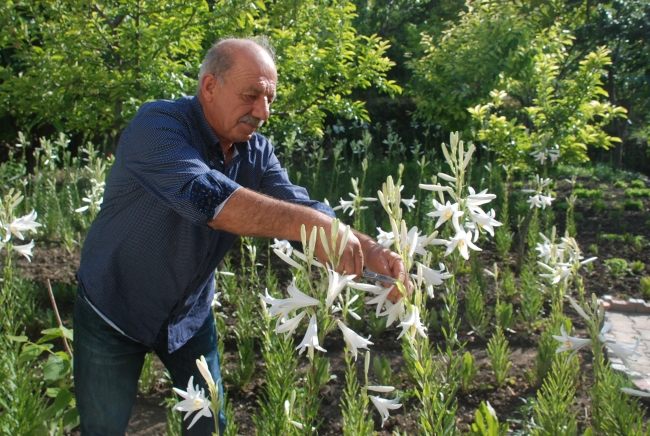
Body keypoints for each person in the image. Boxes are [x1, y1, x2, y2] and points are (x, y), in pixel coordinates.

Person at [74, 37, 407, 435]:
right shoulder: (157, 125)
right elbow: (209, 200)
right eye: (252, 95)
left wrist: (366, 247)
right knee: (103, 427)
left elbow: (300, 205)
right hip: (114, 307)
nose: (263, 112)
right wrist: (315, 228)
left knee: (209, 425)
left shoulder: (255, 152)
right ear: (209, 87)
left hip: (188, 316)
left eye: (269, 99)